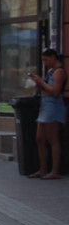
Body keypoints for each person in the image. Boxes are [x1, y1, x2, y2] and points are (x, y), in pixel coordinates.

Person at [27, 48, 66, 180]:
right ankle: (42, 169)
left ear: (53, 57)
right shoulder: (50, 71)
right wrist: (38, 84)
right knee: (40, 138)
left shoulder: (59, 72)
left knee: (52, 138)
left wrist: (41, 82)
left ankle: (54, 171)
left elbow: (55, 91)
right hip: (45, 104)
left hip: (53, 106)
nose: (44, 62)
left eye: (46, 59)